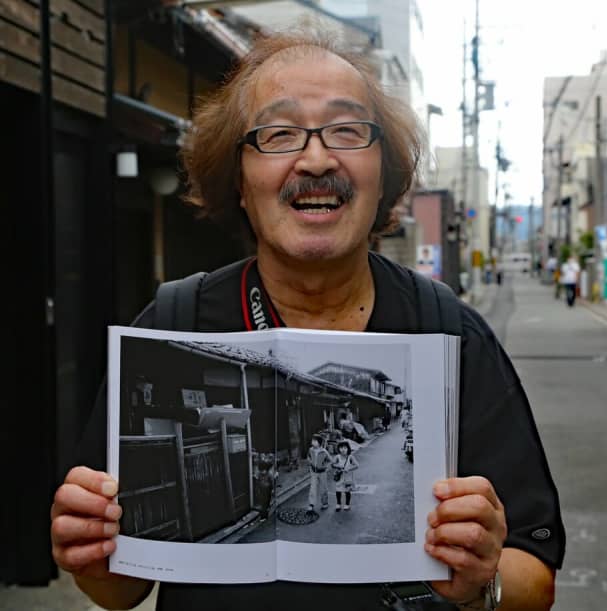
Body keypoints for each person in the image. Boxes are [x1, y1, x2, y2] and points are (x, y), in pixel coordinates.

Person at [51, 30, 564, 611]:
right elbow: (120, 588)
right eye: (279, 134)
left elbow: (535, 580)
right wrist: (89, 553)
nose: (317, 159)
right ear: (240, 182)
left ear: (385, 176)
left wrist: (484, 581)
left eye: (348, 131)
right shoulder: (175, 321)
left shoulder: (448, 331)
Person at [331, 441, 359, 511]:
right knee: (338, 491)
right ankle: (338, 504)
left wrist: (348, 468)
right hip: (340, 477)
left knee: (347, 491)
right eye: (341, 448)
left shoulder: (350, 457)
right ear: (339, 449)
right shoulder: (337, 457)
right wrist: (338, 465)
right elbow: (332, 464)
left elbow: (357, 465)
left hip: (348, 477)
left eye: (345, 448)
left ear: (348, 448)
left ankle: (347, 504)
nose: (343, 449)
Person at [307, 435, 332, 512]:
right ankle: (311, 504)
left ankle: (325, 503)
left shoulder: (324, 452)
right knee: (312, 488)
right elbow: (308, 457)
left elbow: (330, 460)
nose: (313, 442)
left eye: (315, 441)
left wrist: (325, 466)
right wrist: (310, 463)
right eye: (312, 440)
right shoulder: (310, 450)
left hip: (322, 473)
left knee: (323, 488)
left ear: (319, 443)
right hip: (314, 472)